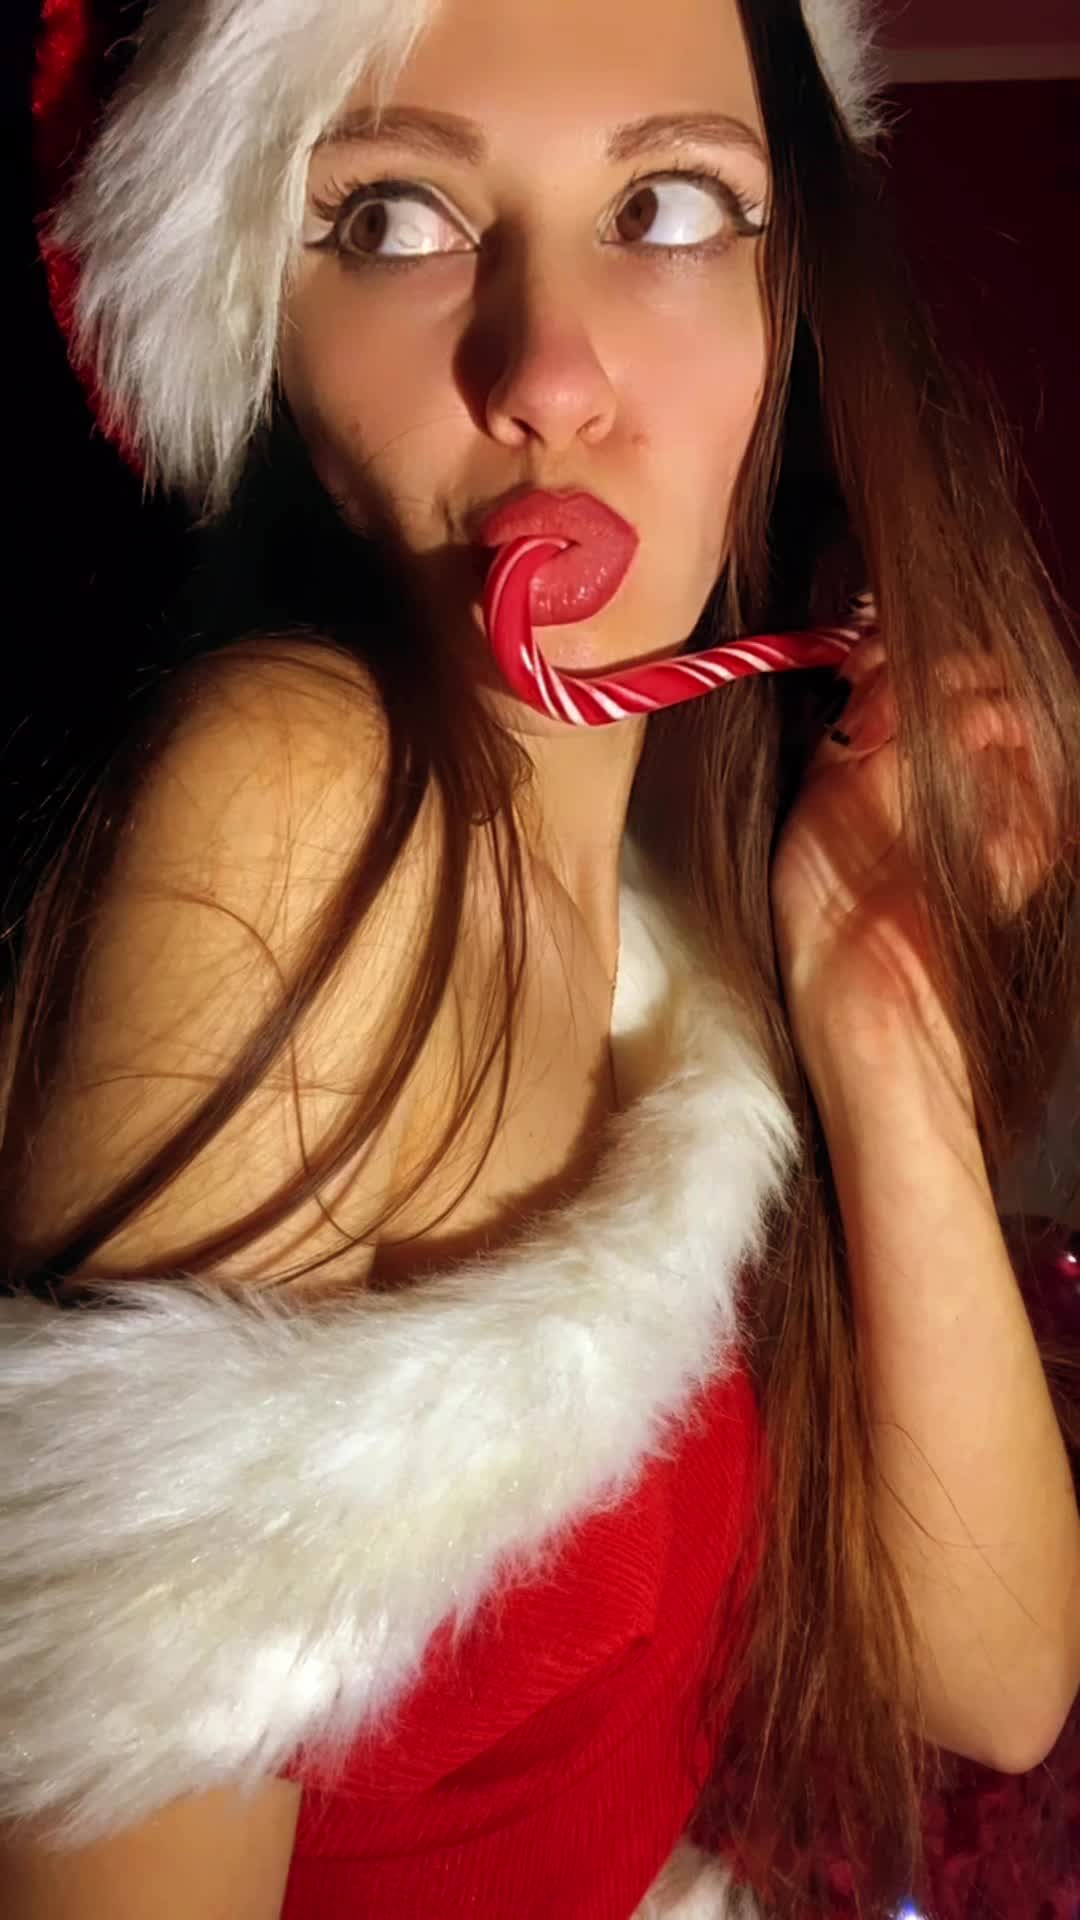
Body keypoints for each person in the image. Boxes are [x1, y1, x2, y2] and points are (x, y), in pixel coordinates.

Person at [2, 0, 1078, 1915]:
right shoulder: (292, 814)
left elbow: (988, 1674)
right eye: (391, 222)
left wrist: (872, 1008)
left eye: (670, 207)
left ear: (790, 309)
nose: (551, 376)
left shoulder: (684, 888)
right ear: (261, 327)